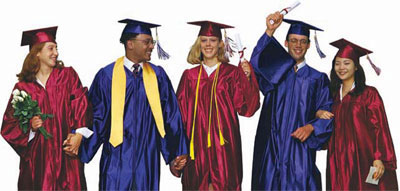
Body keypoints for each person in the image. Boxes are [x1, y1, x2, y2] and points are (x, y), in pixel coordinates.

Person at [64, 19, 188, 190]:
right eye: (147, 42)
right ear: (130, 43)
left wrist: (177, 153)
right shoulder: (107, 75)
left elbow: (171, 116)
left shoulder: (158, 76)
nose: (151, 46)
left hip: (147, 158)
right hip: (116, 158)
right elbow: (94, 116)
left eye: (152, 42)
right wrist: (79, 137)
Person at [1, 26, 92, 190]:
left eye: (57, 48)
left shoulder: (68, 76)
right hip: (39, 163)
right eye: (51, 48)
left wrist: (79, 135)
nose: (56, 53)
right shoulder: (22, 88)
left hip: (67, 160)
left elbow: (81, 103)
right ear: (37, 52)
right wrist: (30, 128)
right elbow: (9, 126)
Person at [250, 12, 333, 190]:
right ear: (286, 43)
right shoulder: (275, 72)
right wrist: (269, 31)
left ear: (309, 45)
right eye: (293, 40)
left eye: (303, 41)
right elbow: (256, 63)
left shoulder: (318, 79)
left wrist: (311, 127)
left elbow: (327, 114)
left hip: (300, 155)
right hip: (272, 149)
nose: (298, 45)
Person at [176, 20, 260, 190]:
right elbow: (179, 117)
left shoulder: (232, 73)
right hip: (196, 146)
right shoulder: (189, 76)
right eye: (204, 40)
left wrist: (248, 79)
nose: (208, 45)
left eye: (213, 40)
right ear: (199, 43)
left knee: (223, 183)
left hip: (224, 145)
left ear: (221, 44)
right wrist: (177, 150)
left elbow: (247, 109)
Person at [317, 38, 398, 190]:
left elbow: (379, 127)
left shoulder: (369, 94)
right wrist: (318, 113)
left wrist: (379, 157)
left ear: (356, 67)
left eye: (346, 63)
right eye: (337, 63)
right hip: (338, 160)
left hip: (364, 158)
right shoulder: (332, 96)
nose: (341, 67)